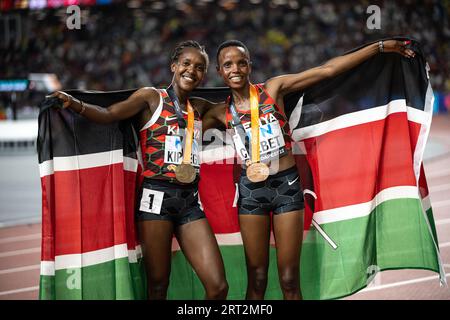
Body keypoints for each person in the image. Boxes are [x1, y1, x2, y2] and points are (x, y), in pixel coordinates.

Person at [201, 39, 415, 300]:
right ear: (219, 72)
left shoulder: (273, 89)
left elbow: (327, 71)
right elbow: (180, 125)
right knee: (257, 278)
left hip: (286, 187)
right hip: (251, 193)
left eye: (241, 63)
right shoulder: (219, 112)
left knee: (289, 278)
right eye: (228, 64)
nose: (235, 69)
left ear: (249, 66)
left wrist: (379, 47)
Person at [49, 40, 229, 300]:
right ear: (174, 66)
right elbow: (110, 114)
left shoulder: (200, 108)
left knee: (218, 287)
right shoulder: (151, 98)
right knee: (158, 287)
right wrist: (74, 104)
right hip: (155, 199)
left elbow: (240, 111)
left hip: (190, 202)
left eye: (200, 67)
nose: (192, 70)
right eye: (187, 63)